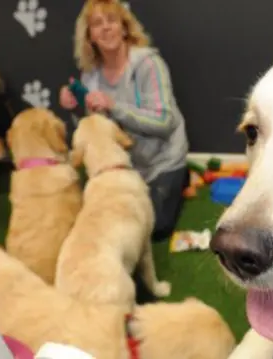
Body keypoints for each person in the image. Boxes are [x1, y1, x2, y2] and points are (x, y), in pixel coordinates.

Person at [59, 0, 189, 241]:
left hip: (162, 161)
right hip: (124, 164)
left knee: (152, 228)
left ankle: (180, 179)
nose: (106, 28)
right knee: (108, 221)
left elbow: (165, 122)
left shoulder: (149, 64)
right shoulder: (90, 75)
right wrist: (76, 108)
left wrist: (114, 105)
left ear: (125, 27)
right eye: (97, 24)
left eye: (112, 20)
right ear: (90, 37)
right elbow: (96, 128)